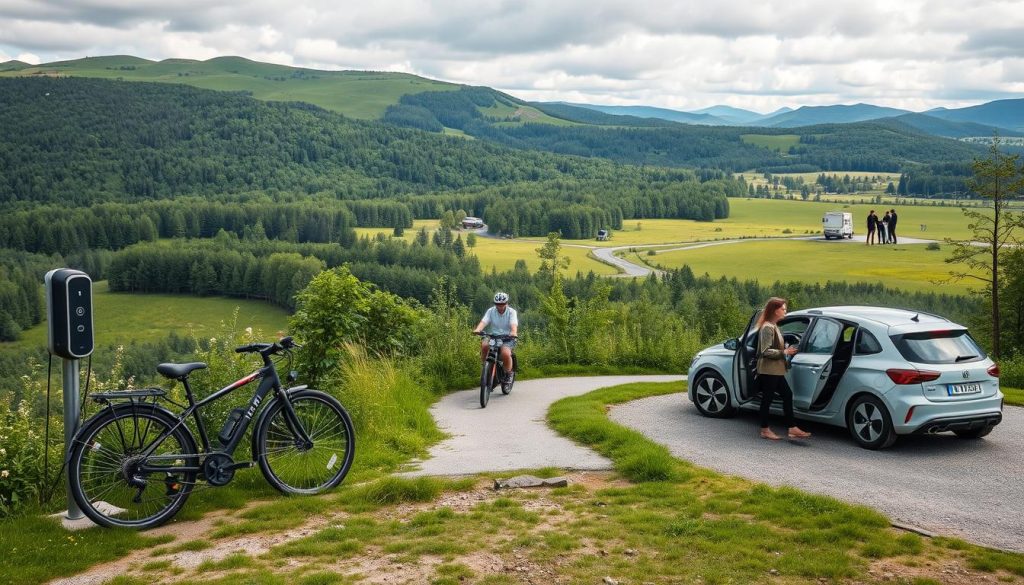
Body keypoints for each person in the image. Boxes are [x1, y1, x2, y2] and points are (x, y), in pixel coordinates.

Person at [754, 297, 811, 441]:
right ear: (774, 310)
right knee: (768, 399)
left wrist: (786, 349)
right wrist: (784, 352)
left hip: (776, 370)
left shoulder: (773, 326)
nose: (785, 311)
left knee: (787, 395)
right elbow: (765, 351)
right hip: (769, 371)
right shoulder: (767, 327)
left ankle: (792, 428)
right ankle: (765, 430)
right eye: (783, 309)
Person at [473, 292, 518, 388]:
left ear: (506, 303)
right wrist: (478, 329)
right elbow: (483, 321)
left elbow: (513, 325)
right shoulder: (491, 311)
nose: (500, 306)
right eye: (497, 304)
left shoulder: (511, 312)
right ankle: (485, 367)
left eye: (502, 304)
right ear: (495, 304)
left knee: (505, 353)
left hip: (508, 337)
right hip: (494, 336)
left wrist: (513, 332)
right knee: (484, 345)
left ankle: (509, 373)